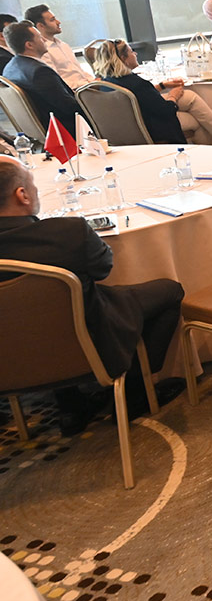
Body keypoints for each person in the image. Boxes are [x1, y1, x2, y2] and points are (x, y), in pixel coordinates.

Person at [0, 156, 185, 433]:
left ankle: (72, 406)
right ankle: (135, 393)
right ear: (22, 195)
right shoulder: (67, 233)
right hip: (89, 343)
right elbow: (103, 269)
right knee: (170, 291)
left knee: (34, 314)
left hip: (9, 365)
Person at [88, 39, 212, 145]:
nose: (135, 54)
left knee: (189, 97)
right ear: (124, 59)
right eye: (131, 52)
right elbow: (166, 111)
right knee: (197, 120)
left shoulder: (108, 81)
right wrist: (173, 96)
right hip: (150, 127)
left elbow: (136, 97)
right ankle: (210, 152)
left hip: (129, 125)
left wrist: (162, 85)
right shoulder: (136, 83)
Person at [3, 21, 82, 134]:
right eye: (40, 37)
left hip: (40, 129)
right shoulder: (40, 72)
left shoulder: (10, 68)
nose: (44, 40)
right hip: (66, 129)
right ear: (29, 45)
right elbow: (69, 107)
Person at [24, 4, 92, 89]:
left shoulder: (63, 45)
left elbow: (79, 72)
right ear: (41, 26)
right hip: (78, 91)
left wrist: (92, 81)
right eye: (52, 20)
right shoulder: (42, 52)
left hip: (87, 86)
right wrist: (87, 85)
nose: (58, 22)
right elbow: (58, 82)